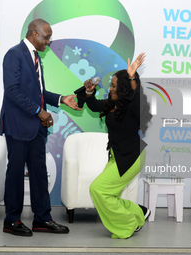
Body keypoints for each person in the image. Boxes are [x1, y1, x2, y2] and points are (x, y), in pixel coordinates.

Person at [0, 19, 81, 237]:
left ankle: (42, 219)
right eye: (46, 37)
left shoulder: (36, 57)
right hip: (17, 126)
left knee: (39, 174)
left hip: (35, 128)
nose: (49, 41)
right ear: (34, 34)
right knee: (15, 174)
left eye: (49, 37)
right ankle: (12, 221)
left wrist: (62, 99)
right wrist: (39, 111)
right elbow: (12, 92)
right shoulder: (14, 54)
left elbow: (39, 92)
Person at [76, 53, 152, 239]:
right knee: (108, 194)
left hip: (131, 156)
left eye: (114, 85)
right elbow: (92, 105)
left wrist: (133, 76)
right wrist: (88, 91)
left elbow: (134, 95)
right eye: (111, 85)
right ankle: (137, 212)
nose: (111, 88)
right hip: (118, 155)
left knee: (98, 189)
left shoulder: (132, 105)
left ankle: (128, 224)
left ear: (125, 87)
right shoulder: (112, 104)